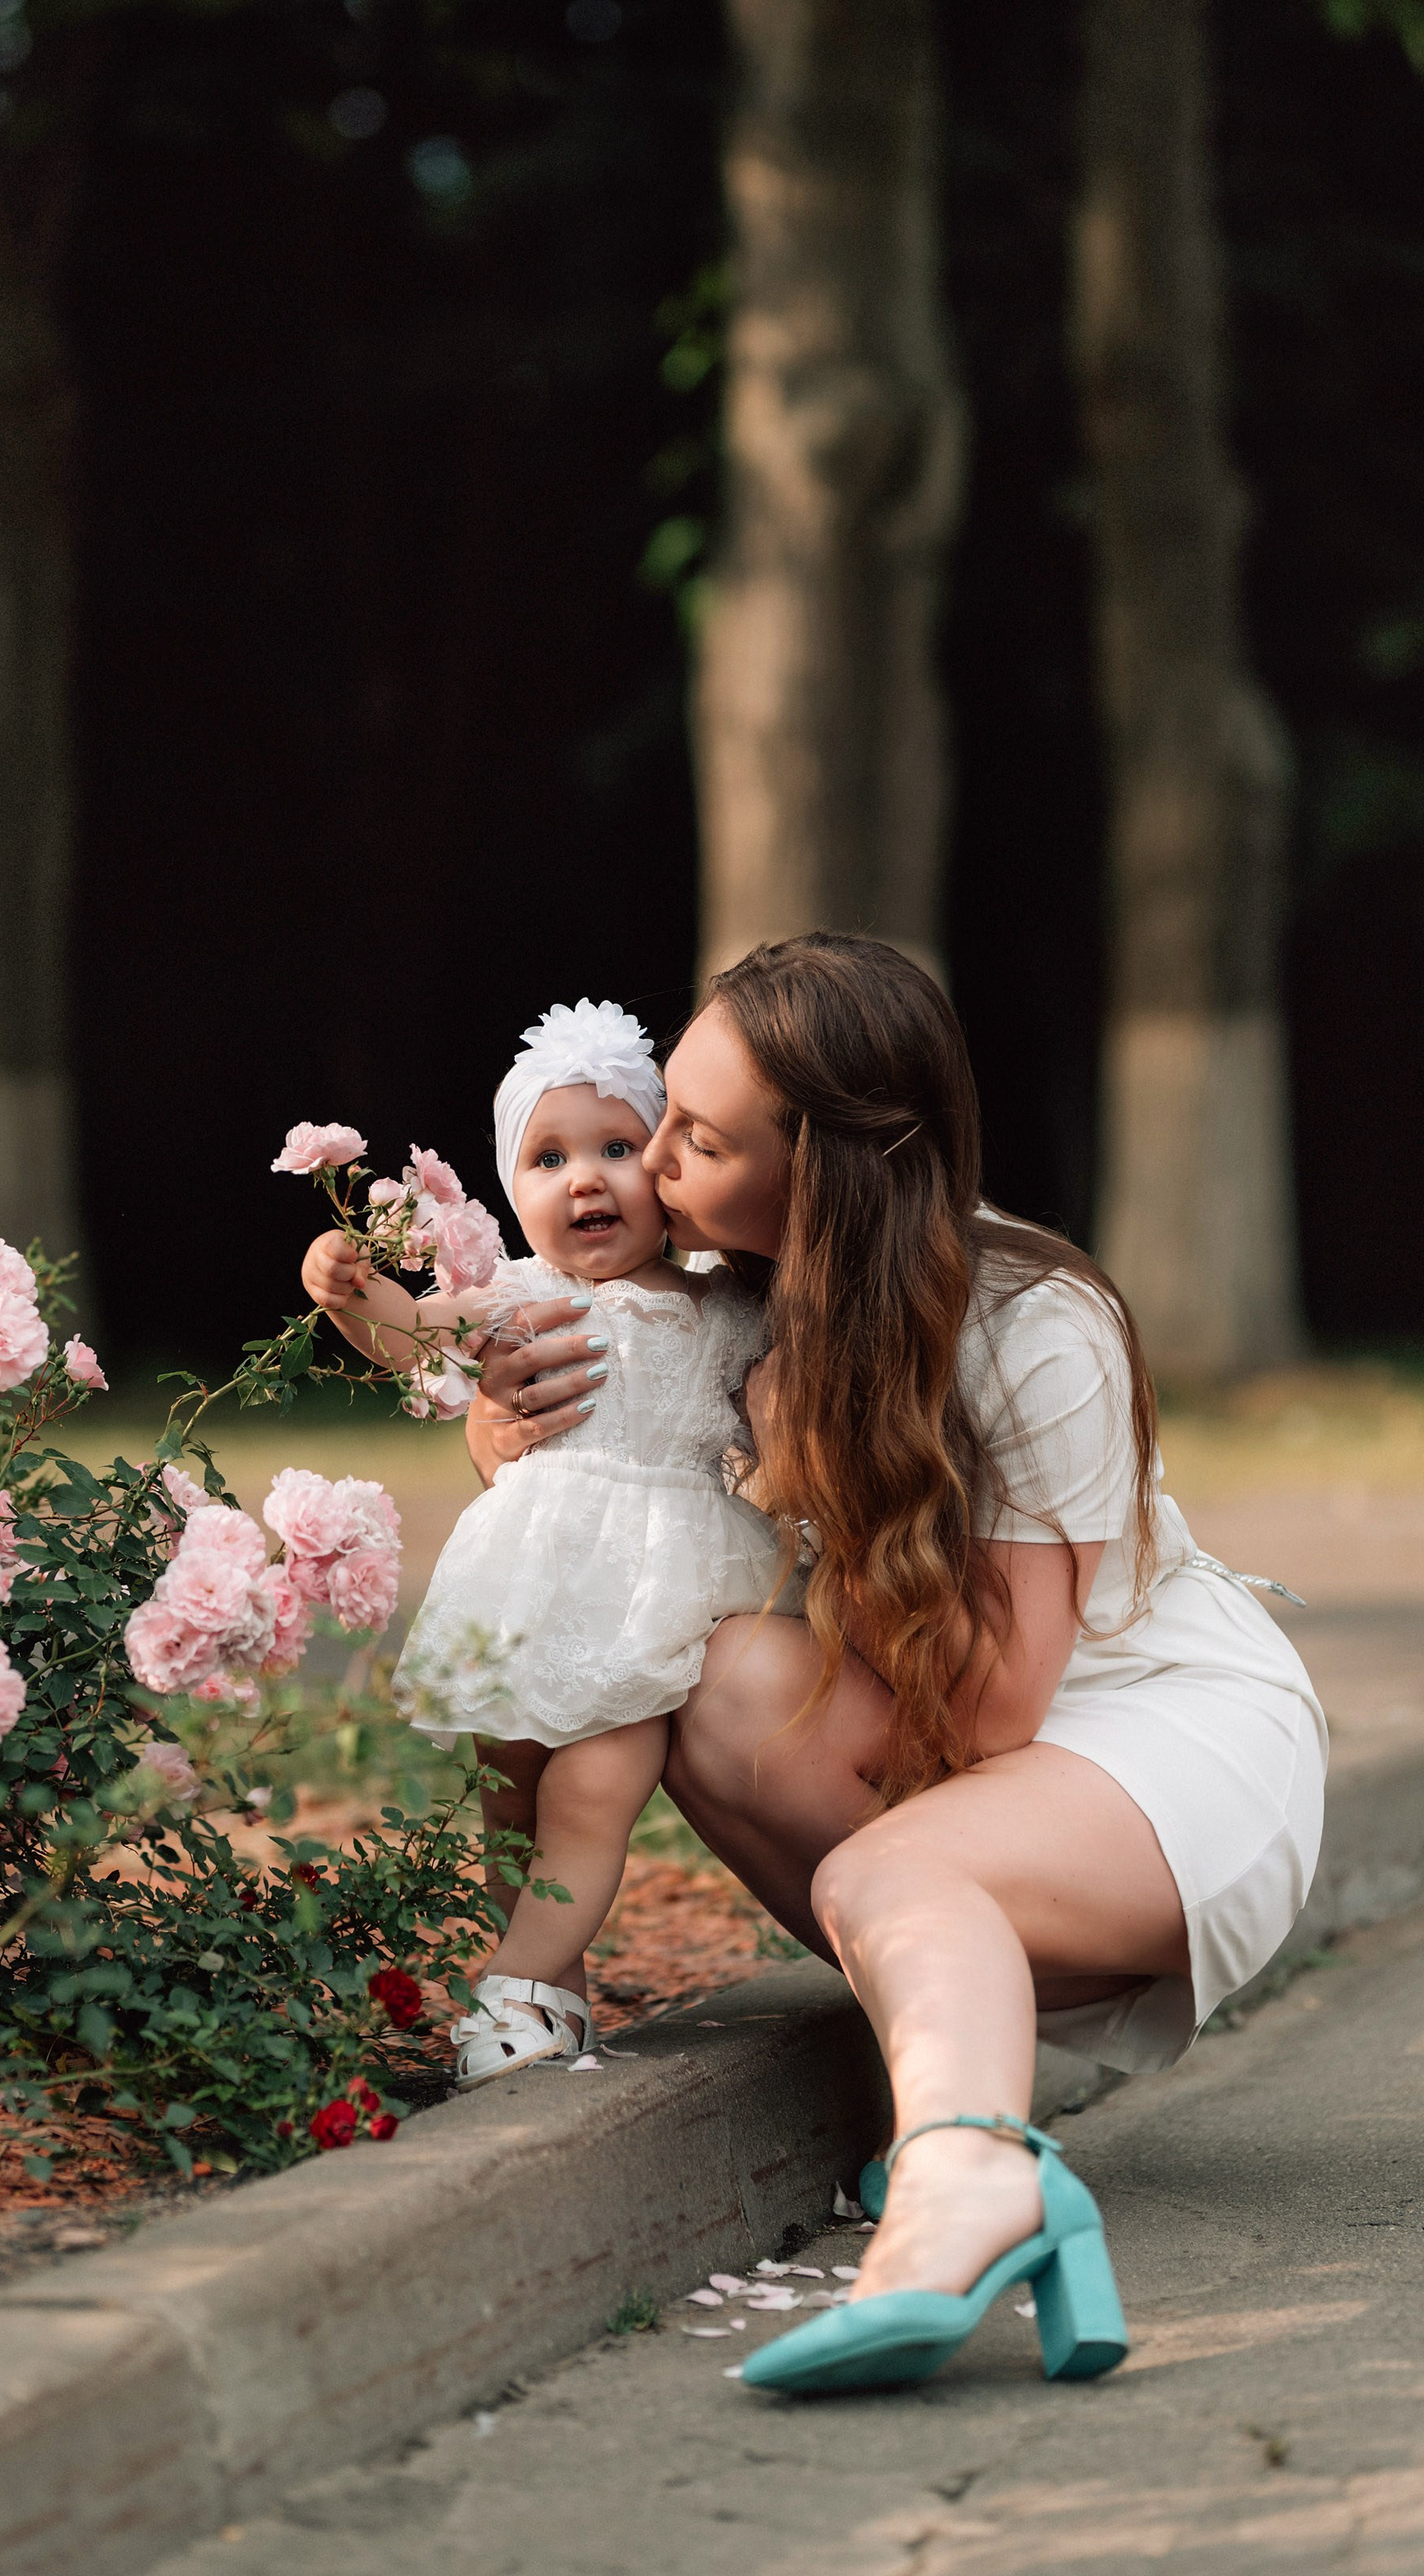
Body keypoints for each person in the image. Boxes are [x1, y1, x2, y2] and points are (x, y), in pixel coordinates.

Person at [465, 932, 1326, 2395]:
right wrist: (511, 1441)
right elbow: (595, 1529)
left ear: (823, 1176)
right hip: (965, 1722)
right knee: (712, 1687)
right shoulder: (736, 1291)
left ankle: (961, 2182)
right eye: (666, 1118)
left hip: (1156, 1728)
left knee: (885, 1872)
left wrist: (807, 1464)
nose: (651, 1159)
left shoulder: (1033, 1324)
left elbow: (994, 1711)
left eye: (699, 1140)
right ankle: (970, 2125)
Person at [300, 999, 797, 2091]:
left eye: (618, 1149)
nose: (586, 1180)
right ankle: (553, 1993)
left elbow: (794, 1399)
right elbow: (413, 1336)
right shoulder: (522, 1298)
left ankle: (511, 1987)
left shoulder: (724, 1306)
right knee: (513, 1804)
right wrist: (346, 1292)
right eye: (549, 1158)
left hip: (658, 1596)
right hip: (530, 1590)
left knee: (592, 1790)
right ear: (511, 1190)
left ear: (668, 1171)